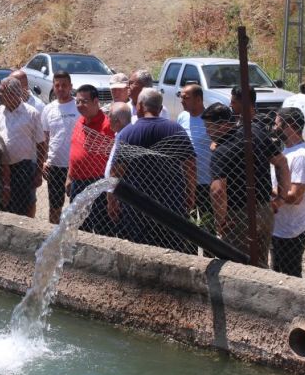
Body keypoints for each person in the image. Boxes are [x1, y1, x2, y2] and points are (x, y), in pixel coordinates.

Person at [203, 102, 289, 266]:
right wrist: (281, 197)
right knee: (260, 262)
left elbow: (217, 191)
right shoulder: (254, 133)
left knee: (238, 264)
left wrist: (220, 221)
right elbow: (281, 162)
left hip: (238, 217)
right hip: (265, 210)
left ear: (222, 125)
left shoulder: (222, 151)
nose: (207, 132)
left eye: (209, 127)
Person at [110, 88, 195, 251]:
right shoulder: (176, 130)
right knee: (172, 249)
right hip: (171, 202)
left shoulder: (128, 132)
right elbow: (190, 166)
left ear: (140, 106)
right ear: (160, 107)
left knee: (139, 250)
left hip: (137, 205)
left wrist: (112, 200)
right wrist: (190, 193)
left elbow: (116, 171)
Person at [270, 107, 305, 277]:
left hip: (291, 231)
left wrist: (265, 190)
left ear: (288, 125)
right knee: (278, 274)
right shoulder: (287, 151)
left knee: (289, 276)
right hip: (281, 228)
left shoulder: (301, 156)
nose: (274, 128)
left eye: (277, 124)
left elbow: (295, 196)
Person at [67, 84, 116, 233]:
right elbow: (73, 150)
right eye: (78, 101)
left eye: (84, 101)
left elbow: (115, 158)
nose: (80, 105)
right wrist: (69, 176)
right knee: (78, 227)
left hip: (98, 184)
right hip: (78, 184)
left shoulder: (108, 126)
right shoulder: (79, 122)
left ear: (96, 101)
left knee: (102, 229)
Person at [0, 76, 46, 217]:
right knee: (4, 205)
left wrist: (38, 172)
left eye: (1, 91)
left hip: (23, 168)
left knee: (24, 205)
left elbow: (41, 145)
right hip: (2, 167)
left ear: (13, 94)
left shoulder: (31, 114)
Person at [40, 71, 78, 223]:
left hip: (75, 166)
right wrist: (43, 161)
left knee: (76, 207)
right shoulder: (48, 109)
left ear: (70, 86)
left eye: (64, 85)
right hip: (54, 165)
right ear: (53, 87)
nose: (61, 88)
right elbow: (45, 138)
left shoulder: (78, 107)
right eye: (57, 85)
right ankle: (52, 235)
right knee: (55, 206)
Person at [176, 83, 213, 228]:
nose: (182, 101)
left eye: (186, 98)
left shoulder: (209, 119)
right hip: (186, 181)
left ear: (198, 99)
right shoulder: (182, 117)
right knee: (189, 225)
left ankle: (210, 251)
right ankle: (189, 251)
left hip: (206, 182)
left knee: (207, 224)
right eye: (181, 97)